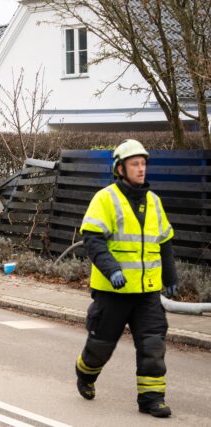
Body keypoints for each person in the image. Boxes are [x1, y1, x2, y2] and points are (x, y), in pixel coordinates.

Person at [76, 139, 177, 418]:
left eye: (143, 163)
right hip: (113, 291)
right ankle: (85, 374)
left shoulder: (154, 201)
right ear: (120, 168)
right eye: (135, 164)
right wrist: (113, 270)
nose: (141, 169)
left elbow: (165, 242)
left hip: (146, 293)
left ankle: (152, 399)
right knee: (100, 347)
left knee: (153, 344)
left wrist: (170, 276)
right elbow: (93, 240)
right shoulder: (105, 198)